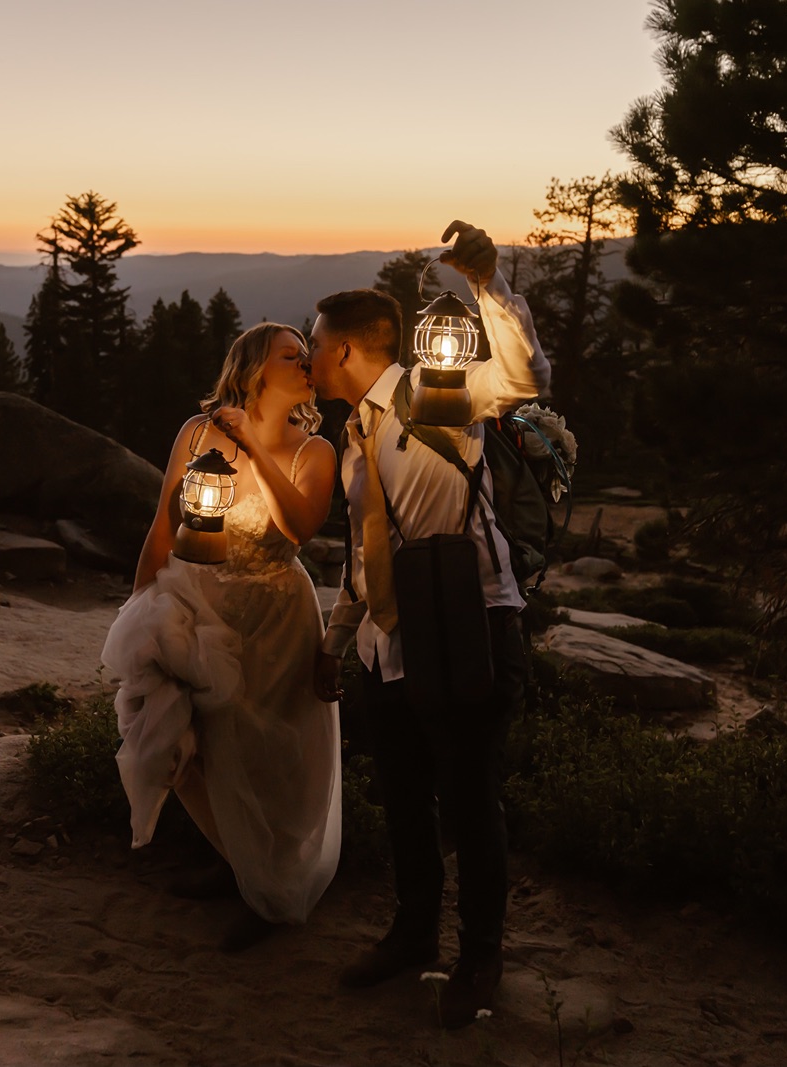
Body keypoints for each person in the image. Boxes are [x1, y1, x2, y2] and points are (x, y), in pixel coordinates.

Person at [308, 221, 548, 1028]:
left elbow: (523, 377)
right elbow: (367, 548)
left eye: (315, 346)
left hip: (469, 627)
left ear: (344, 351)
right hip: (388, 645)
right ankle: (412, 934)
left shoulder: (435, 395)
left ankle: (481, 953)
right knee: (405, 799)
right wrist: (338, 643)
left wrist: (487, 287)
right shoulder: (352, 439)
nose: (308, 359)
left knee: (470, 801)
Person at [101, 321, 342, 951]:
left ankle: (269, 892)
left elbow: (298, 530)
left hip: (277, 614)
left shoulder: (315, 451)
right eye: (292, 356)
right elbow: (163, 526)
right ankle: (235, 862)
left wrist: (258, 449)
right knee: (194, 742)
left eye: (305, 354)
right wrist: (138, 604)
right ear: (257, 367)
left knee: (268, 751)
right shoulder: (196, 433)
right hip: (201, 602)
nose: (306, 364)